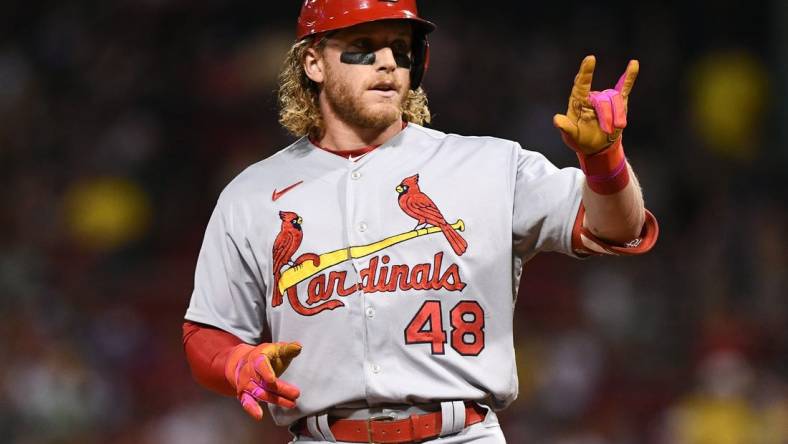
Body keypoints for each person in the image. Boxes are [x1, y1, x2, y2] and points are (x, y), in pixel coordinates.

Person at [182, 1, 659, 442]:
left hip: (460, 433)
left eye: (401, 49)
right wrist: (234, 363)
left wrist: (603, 159)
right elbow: (206, 330)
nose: (388, 62)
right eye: (363, 49)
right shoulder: (252, 193)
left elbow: (617, 227)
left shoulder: (489, 164)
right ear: (313, 63)